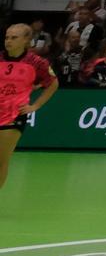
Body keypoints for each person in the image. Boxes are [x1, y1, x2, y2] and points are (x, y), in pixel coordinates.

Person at [1, 22, 59, 195]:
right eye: (6, 37)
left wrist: (35, 106)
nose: (8, 41)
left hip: (13, 116)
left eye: (14, 37)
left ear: (26, 40)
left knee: (1, 161)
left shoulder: (36, 63)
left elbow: (52, 83)